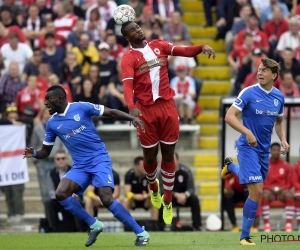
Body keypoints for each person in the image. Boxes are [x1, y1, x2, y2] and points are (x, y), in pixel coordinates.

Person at [23, 85, 150, 247]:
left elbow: (110, 112)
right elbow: (46, 151)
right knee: (61, 193)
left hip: (99, 160)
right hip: (80, 166)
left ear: (60, 99)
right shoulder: (52, 123)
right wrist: (34, 153)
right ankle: (94, 224)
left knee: (106, 197)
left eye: (49, 99)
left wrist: (132, 118)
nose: (45, 103)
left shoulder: (81, 107)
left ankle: (141, 233)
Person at [120, 21, 216, 225]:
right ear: (127, 37)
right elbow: (128, 86)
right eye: (133, 30)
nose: (138, 29)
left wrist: (200, 48)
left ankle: (168, 200)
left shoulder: (159, 45)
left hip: (167, 106)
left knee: (169, 153)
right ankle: (153, 187)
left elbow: (183, 50)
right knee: (150, 156)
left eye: (138, 26)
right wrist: (131, 106)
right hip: (145, 110)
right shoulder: (128, 58)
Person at [221, 58, 290, 245]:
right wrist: (247, 132)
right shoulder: (249, 93)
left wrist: (282, 139)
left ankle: (231, 167)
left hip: (263, 152)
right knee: (257, 191)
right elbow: (229, 116)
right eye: (259, 69)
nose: (259, 73)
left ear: (274, 75)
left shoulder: (279, 97)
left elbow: (279, 121)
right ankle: (244, 237)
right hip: (247, 147)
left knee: (256, 188)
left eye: (264, 70)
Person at [158, 152, 202, 230]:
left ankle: (197, 225)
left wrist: (185, 195)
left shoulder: (186, 171)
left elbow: (191, 188)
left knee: (194, 199)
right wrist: (176, 195)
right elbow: (162, 189)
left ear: (178, 161)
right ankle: (161, 226)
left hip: (185, 197)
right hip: (171, 197)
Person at [261, 142, 294, 232]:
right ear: (270, 151)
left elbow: (290, 182)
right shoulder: (264, 165)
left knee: (289, 195)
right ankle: (267, 224)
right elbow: (261, 181)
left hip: (282, 192)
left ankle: (288, 224)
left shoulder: (285, 165)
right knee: (264, 195)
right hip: (269, 192)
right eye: (274, 150)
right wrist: (268, 187)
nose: (276, 152)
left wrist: (283, 188)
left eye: (277, 150)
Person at [45, 150, 79, 232]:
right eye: (58, 159)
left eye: (63, 158)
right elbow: (50, 190)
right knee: (48, 203)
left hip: (71, 198)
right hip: (58, 200)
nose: (61, 161)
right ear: (55, 160)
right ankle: (52, 229)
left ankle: (79, 228)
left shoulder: (74, 171)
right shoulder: (51, 173)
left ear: (66, 159)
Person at [124, 156, 158, 220]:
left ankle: (154, 224)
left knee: (155, 200)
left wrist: (147, 195)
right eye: (142, 166)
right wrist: (135, 196)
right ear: (136, 166)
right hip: (133, 200)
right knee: (126, 200)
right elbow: (127, 193)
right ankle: (126, 224)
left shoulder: (149, 175)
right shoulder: (129, 175)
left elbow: (152, 192)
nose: (144, 168)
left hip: (146, 200)